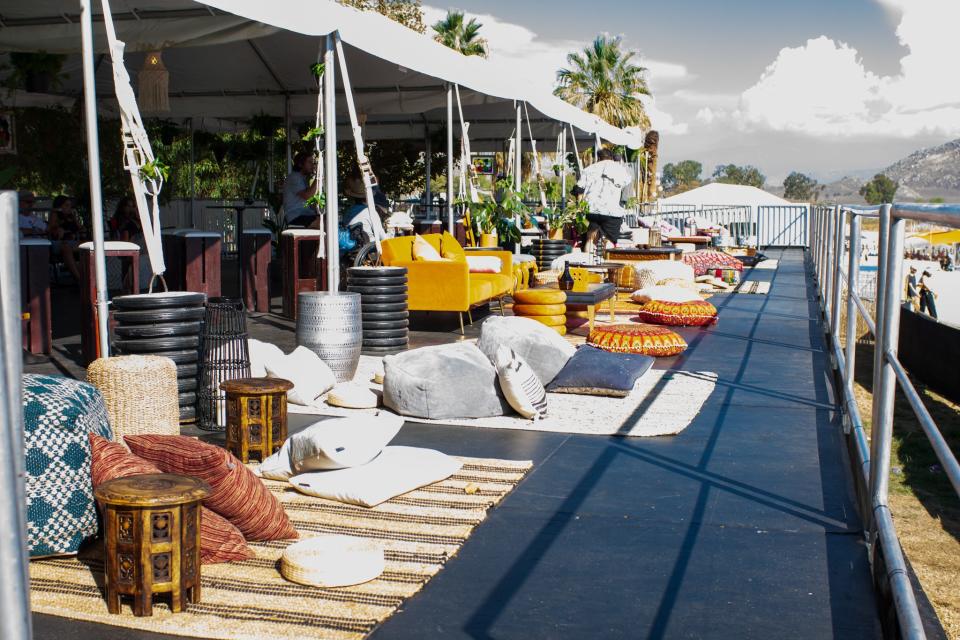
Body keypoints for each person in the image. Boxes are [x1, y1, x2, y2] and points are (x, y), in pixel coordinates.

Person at [572, 148, 631, 253]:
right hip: (611, 211)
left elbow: (579, 190)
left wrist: (580, 208)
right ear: (611, 157)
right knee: (609, 241)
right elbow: (627, 186)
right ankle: (607, 265)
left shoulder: (588, 169)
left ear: (598, 158)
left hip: (591, 210)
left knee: (590, 239)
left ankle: (587, 262)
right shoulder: (620, 169)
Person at [48, 195, 85, 281]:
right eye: (66, 205)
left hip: (72, 241)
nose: (69, 208)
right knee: (66, 248)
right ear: (59, 206)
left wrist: (80, 228)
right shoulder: (55, 214)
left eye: (70, 205)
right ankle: (79, 279)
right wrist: (58, 228)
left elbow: (81, 228)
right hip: (59, 242)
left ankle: (86, 275)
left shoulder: (71, 216)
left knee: (87, 245)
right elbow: (51, 229)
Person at [283, 151, 321, 228]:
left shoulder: (303, 178)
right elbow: (308, 196)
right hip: (296, 216)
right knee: (324, 222)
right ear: (300, 164)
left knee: (328, 218)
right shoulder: (294, 177)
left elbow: (310, 201)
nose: (313, 165)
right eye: (309, 162)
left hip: (306, 214)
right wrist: (319, 176)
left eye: (313, 162)